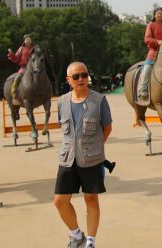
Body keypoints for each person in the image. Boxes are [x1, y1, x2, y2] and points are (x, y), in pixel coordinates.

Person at [54, 62, 113, 248]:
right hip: (67, 158)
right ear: (68, 80)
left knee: (91, 198)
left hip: (91, 158)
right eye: (76, 76)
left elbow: (107, 127)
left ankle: (90, 242)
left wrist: (95, 147)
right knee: (60, 201)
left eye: (84, 75)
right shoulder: (61, 101)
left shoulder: (99, 100)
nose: (81, 79)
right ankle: (76, 235)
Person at [137, 7, 162, 100]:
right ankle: (142, 90)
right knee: (146, 70)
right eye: (158, 13)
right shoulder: (151, 25)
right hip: (153, 52)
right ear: (154, 15)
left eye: (161, 13)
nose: (159, 15)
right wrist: (158, 42)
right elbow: (147, 39)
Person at [7, 34, 34, 105]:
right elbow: (16, 58)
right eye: (27, 39)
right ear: (24, 41)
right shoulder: (21, 48)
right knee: (17, 77)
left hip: (34, 68)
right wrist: (11, 54)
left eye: (29, 39)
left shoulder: (34, 48)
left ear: (31, 41)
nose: (28, 41)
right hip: (24, 68)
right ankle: (14, 94)